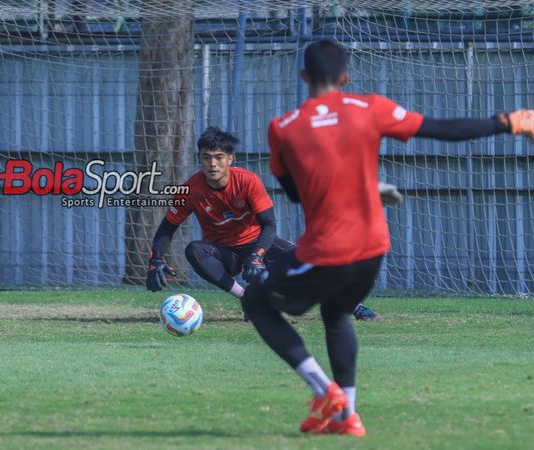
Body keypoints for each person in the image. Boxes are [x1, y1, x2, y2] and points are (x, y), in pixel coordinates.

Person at [242, 39, 534, 437]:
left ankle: (326, 392)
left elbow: (297, 194)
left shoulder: (283, 128)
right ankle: (348, 416)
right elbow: (440, 129)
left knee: (256, 302)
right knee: (335, 314)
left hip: (329, 250)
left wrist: (352, 187)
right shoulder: (370, 108)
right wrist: (504, 122)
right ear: (345, 78)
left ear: (304, 77)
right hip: (373, 249)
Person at [145, 126, 380, 321]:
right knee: (194, 250)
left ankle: (355, 305)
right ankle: (247, 298)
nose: (212, 164)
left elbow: (269, 224)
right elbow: (168, 226)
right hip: (224, 253)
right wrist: (155, 259)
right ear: (200, 159)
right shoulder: (190, 190)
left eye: (218, 157)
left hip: (259, 243)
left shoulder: (248, 182)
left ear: (230, 159)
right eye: (206, 158)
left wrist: (257, 255)